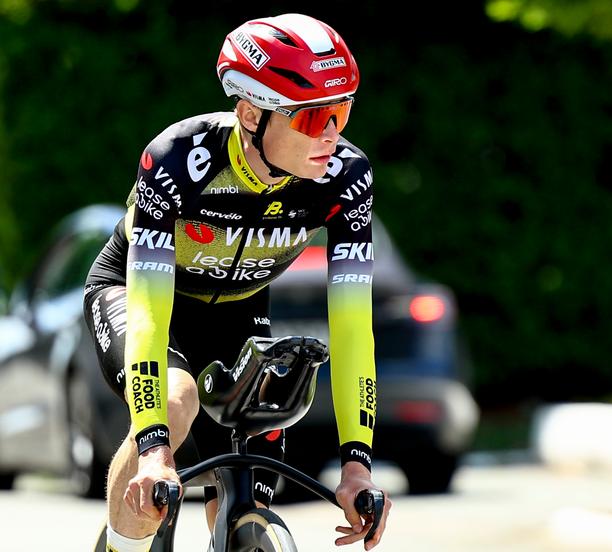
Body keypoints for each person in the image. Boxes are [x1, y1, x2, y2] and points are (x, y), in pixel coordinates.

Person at [82, 13, 390, 551]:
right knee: (176, 401)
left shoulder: (346, 178)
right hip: (140, 295)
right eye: (314, 119)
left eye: (342, 111)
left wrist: (357, 465)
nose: (334, 135)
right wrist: (155, 449)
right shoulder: (178, 160)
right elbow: (151, 316)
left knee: (251, 479)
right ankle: (121, 542)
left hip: (239, 308)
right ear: (251, 113)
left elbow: (352, 329)